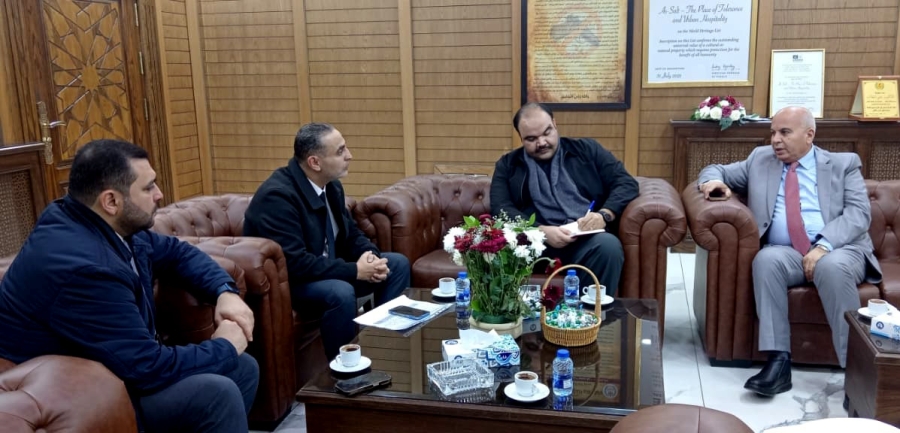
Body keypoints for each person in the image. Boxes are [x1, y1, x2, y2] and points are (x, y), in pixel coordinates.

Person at [0, 139, 259, 432]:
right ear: (111, 201)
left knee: (243, 369)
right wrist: (225, 346)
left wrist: (224, 292)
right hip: (74, 395)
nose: (159, 194)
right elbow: (145, 368)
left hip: (114, 367)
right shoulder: (86, 269)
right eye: (148, 188)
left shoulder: (95, 220)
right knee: (217, 393)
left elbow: (176, 252)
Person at [698, 106, 882, 396]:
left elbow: (858, 215)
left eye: (784, 132)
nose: (775, 140)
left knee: (830, 267)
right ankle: (778, 363)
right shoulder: (760, 160)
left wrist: (823, 245)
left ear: (809, 135)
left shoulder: (843, 164)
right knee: (766, 260)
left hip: (840, 249)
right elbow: (714, 169)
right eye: (773, 132)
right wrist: (713, 182)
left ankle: (858, 374)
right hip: (787, 252)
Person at [243, 122, 410, 360]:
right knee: (339, 292)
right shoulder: (277, 197)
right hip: (291, 284)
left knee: (397, 264)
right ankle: (344, 370)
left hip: (325, 270)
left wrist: (370, 256)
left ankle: (384, 348)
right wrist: (355, 270)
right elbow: (295, 263)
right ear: (315, 162)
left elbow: (351, 233)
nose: (349, 156)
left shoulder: (331, 187)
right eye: (340, 151)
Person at [491, 102, 639, 294]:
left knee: (608, 247)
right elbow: (500, 208)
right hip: (536, 245)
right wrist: (540, 231)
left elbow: (626, 183)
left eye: (546, 133)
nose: (542, 143)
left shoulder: (587, 150)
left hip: (586, 238)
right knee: (500, 251)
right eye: (531, 139)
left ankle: (592, 312)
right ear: (521, 137)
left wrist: (604, 215)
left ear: (555, 123)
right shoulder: (508, 166)